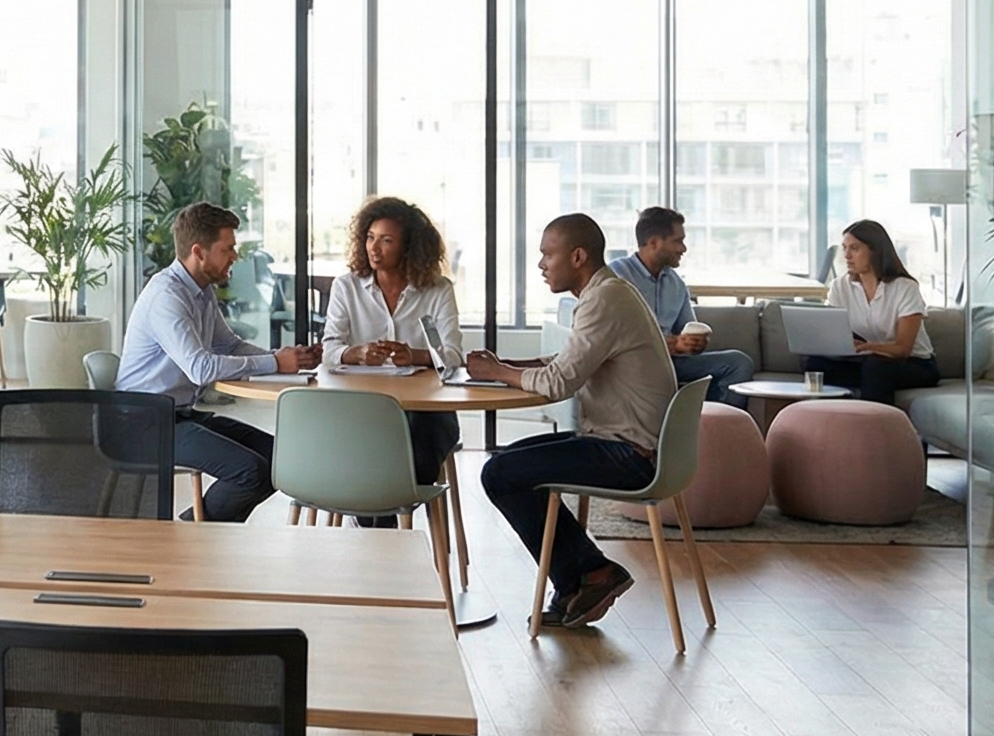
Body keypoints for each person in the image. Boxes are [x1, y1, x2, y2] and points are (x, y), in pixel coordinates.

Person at [467, 214, 679, 628]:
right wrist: (508, 365)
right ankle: (581, 580)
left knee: (500, 473)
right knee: (510, 459)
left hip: (631, 454)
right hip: (627, 443)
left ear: (578, 256)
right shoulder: (607, 293)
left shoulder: (604, 299)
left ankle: (591, 573)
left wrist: (498, 374)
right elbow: (569, 361)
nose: (542, 265)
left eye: (548, 254)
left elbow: (559, 382)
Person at [116, 203, 320, 523]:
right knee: (250, 471)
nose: (235, 256)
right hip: (142, 423)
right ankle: (197, 532)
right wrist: (275, 364)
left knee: (279, 459)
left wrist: (285, 358)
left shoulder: (200, 290)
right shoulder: (167, 296)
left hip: (178, 416)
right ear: (199, 252)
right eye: (228, 248)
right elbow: (200, 368)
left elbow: (229, 345)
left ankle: (196, 527)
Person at [320, 196, 464, 518]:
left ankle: (381, 524)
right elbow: (329, 351)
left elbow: (453, 356)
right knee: (370, 446)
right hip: (364, 408)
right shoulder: (347, 287)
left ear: (409, 247)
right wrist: (355, 354)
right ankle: (381, 532)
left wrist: (413, 356)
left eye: (386, 240)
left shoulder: (437, 290)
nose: (374, 248)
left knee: (416, 447)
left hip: (427, 412)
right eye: (370, 238)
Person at [606, 206, 755, 409]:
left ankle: (706, 426)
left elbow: (686, 330)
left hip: (672, 363)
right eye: (678, 241)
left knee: (740, 363)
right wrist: (661, 345)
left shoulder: (677, 284)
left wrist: (693, 344)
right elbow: (609, 336)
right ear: (654, 243)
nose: (683, 249)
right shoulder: (616, 276)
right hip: (634, 363)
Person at [801, 219, 940, 404]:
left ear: (875, 251)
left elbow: (903, 349)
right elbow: (835, 334)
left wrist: (866, 347)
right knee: (814, 365)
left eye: (855, 248)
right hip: (867, 361)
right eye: (844, 248)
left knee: (876, 368)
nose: (847, 256)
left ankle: (875, 427)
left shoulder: (905, 287)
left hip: (914, 365)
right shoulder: (840, 287)